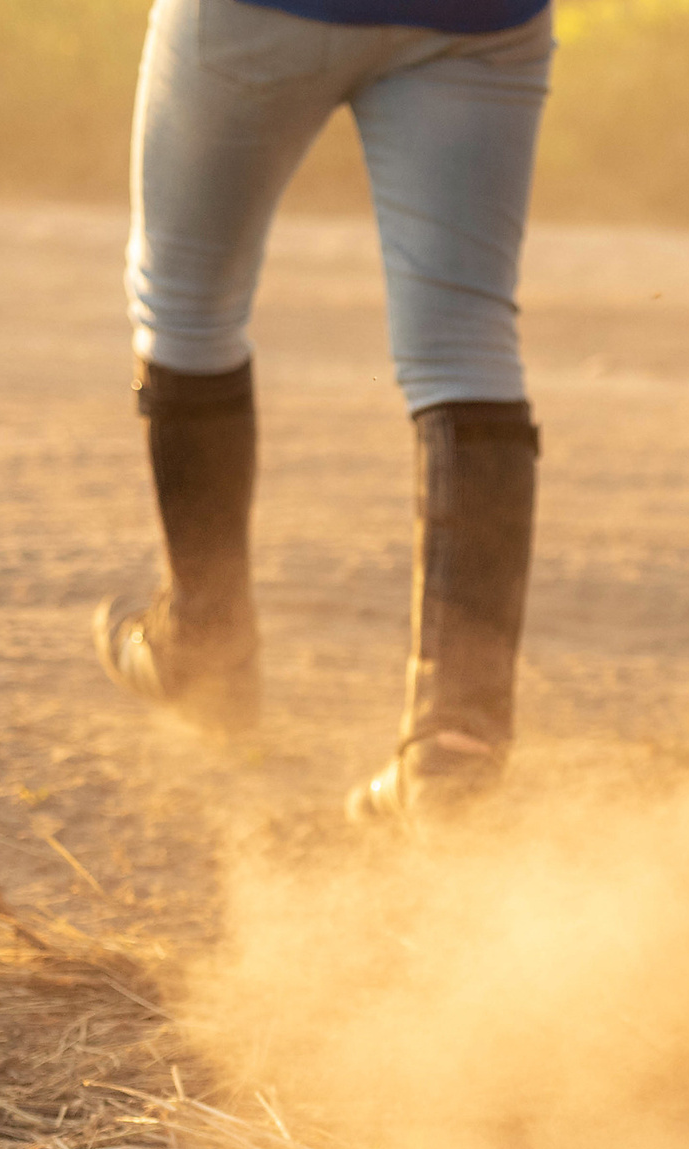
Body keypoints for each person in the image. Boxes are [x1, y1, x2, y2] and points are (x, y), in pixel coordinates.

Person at [95, 0, 553, 821]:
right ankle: (456, 749)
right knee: (465, 343)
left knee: (188, 305)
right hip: (478, 18)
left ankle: (207, 644)